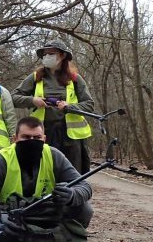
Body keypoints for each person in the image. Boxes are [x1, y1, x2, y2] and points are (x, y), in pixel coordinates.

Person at [0, 116, 93, 227]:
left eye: (37, 137)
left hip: (45, 212)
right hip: (10, 216)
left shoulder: (54, 156)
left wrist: (72, 194)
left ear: (44, 139)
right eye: (26, 137)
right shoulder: (1, 160)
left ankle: (68, 240)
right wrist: (1, 218)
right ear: (14, 139)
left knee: (84, 208)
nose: (32, 141)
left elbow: (84, 186)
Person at [12, 39, 94, 173]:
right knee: (43, 170)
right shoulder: (35, 77)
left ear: (62, 56)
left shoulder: (75, 79)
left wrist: (69, 107)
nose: (47, 57)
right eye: (45, 54)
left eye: (51, 53)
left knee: (72, 173)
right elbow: (13, 98)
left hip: (70, 138)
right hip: (43, 134)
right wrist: (32, 100)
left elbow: (89, 105)